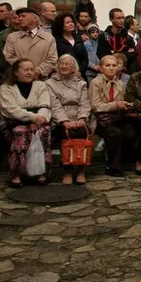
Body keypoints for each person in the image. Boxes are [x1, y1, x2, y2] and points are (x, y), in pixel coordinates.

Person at [0, 59, 52, 187]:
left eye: (31, 69)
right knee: (20, 133)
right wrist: (31, 118)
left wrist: (38, 120)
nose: (29, 72)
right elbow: (11, 110)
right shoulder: (7, 88)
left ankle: (42, 172)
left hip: (39, 121)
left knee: (43, 131)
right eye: (26, 70)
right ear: (16, 72)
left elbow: (45, 105)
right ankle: (16, 174)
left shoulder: (40, 85)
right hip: (13, 122)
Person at [45, 55, 90, 185]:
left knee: (81, 133)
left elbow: (85, 103)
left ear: (73, 67)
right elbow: (54, 105)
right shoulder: (49, 84)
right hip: (60, 120)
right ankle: (68, 171)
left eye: (67, 64)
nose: (64, 66)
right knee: (68, 134)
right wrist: (65, 121)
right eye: (61, 64)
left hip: (78, 118)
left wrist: (82, 118)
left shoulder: (81, 83)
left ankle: (81, 170)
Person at [89, 55, 137, 177]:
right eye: (108, 65)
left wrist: (127, 104)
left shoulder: (120, 83)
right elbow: (96, 106)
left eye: (114, 65)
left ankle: (124, 159)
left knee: (131, 133)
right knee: (115, 133)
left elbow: (122, 101)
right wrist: (115, 105)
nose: (111, 68)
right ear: (101, 68)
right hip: (101, 118)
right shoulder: (95, 82)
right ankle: (112, 166)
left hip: (117, 117)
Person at [4, 7, 58, 80]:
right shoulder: (12, 38)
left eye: (23, 16)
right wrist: (23, 70)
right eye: (19, 16)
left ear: (35, 19)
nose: (19, 19)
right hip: (18, 81)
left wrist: (38, 71)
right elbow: (9, 56)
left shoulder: (48, 38)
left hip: (40, 81)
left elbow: (52, 59)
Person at [97, 8, 136, 73]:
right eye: (118, 18)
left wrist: (115, 52)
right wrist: (125, 53)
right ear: (111, 19)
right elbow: (101, 55)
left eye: (123, 18)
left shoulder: (128, 37)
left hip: (125, 72)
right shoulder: (104, 37)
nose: (122, 20)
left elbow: (134, 55)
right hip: (108, 72)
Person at [52, 13, 89, 78]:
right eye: (67, 22)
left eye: (72, 22)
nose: (71, 24)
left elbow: (85, 59)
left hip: (79, 76)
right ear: (61, 26)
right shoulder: (56, 41)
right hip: (62, 76)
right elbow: (55, 59)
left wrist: (79, 71)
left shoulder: (78, 39)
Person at [0, 7, 21, 77]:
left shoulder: (31, 35)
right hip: (9, 76)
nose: (16, 21)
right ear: (10, 20)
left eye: (19, 18)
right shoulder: (2, 37)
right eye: (14, 18)